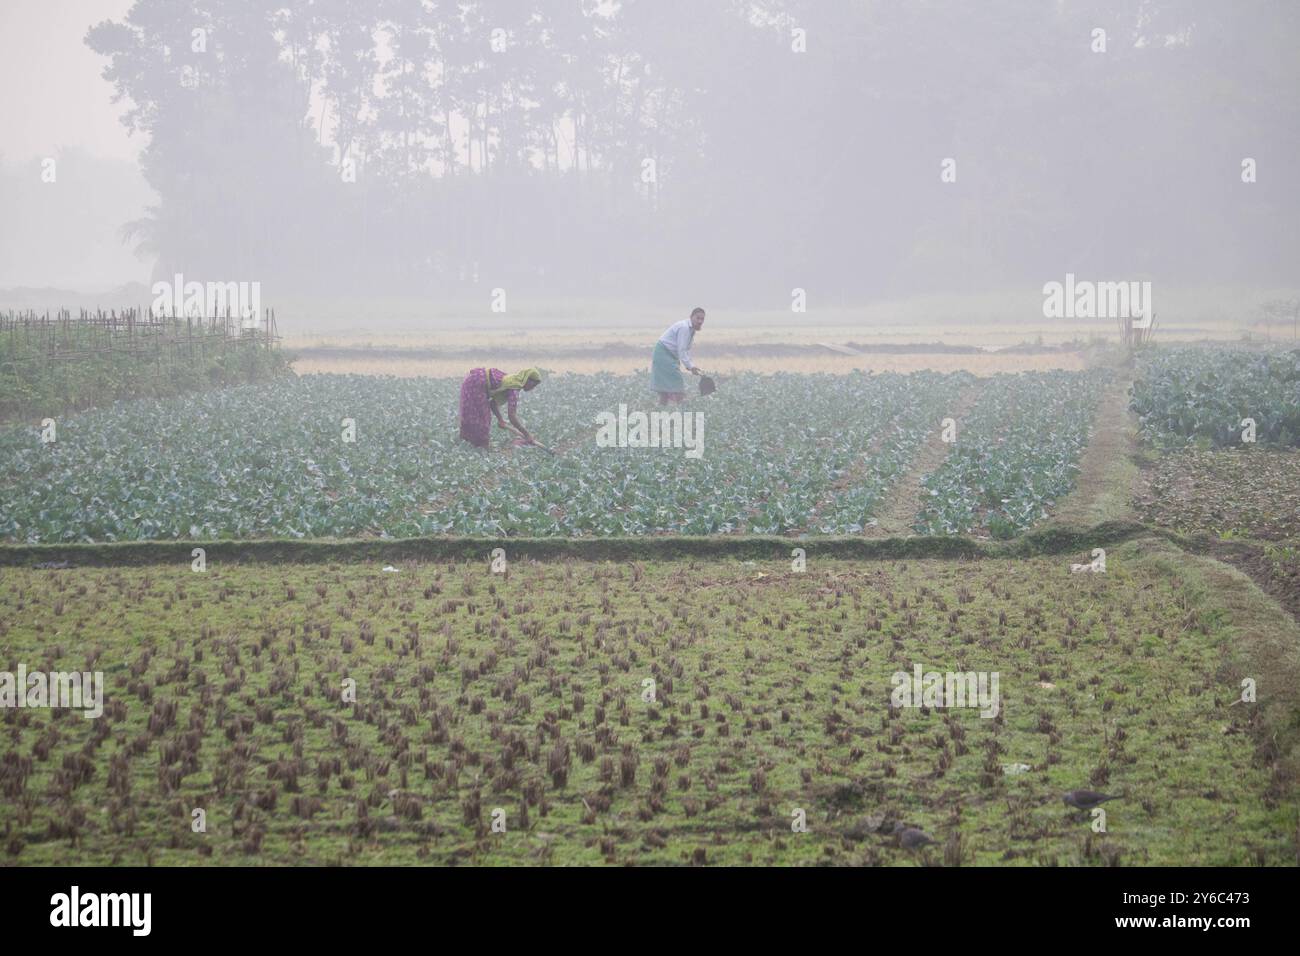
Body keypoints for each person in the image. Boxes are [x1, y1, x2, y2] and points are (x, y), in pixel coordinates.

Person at [458, 367, 544, 449]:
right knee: (481, 417)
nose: (532, 388)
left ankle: (472, 445)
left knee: (475, 415)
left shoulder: (512, 381)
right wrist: (527, 434)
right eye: (533, 384)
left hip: (474, 380)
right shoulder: (514, 387)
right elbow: (512, 416)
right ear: (527, 379)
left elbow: (493, 404)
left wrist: (501, 420)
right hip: (476, 383)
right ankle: (479, 447)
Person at [651, 307, 706, 404]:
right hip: (663, 354)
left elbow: (685, 350)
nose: (700, 321)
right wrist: (690, 366)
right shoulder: (684, 328)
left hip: (668, 355)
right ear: (691, 317)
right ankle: (683, 412)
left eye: (702, 319)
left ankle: (660, 411)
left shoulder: (691, 330)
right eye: (698, 318)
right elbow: (682, 350)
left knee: (664, 391)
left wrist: (691, 366)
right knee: (677, 384)